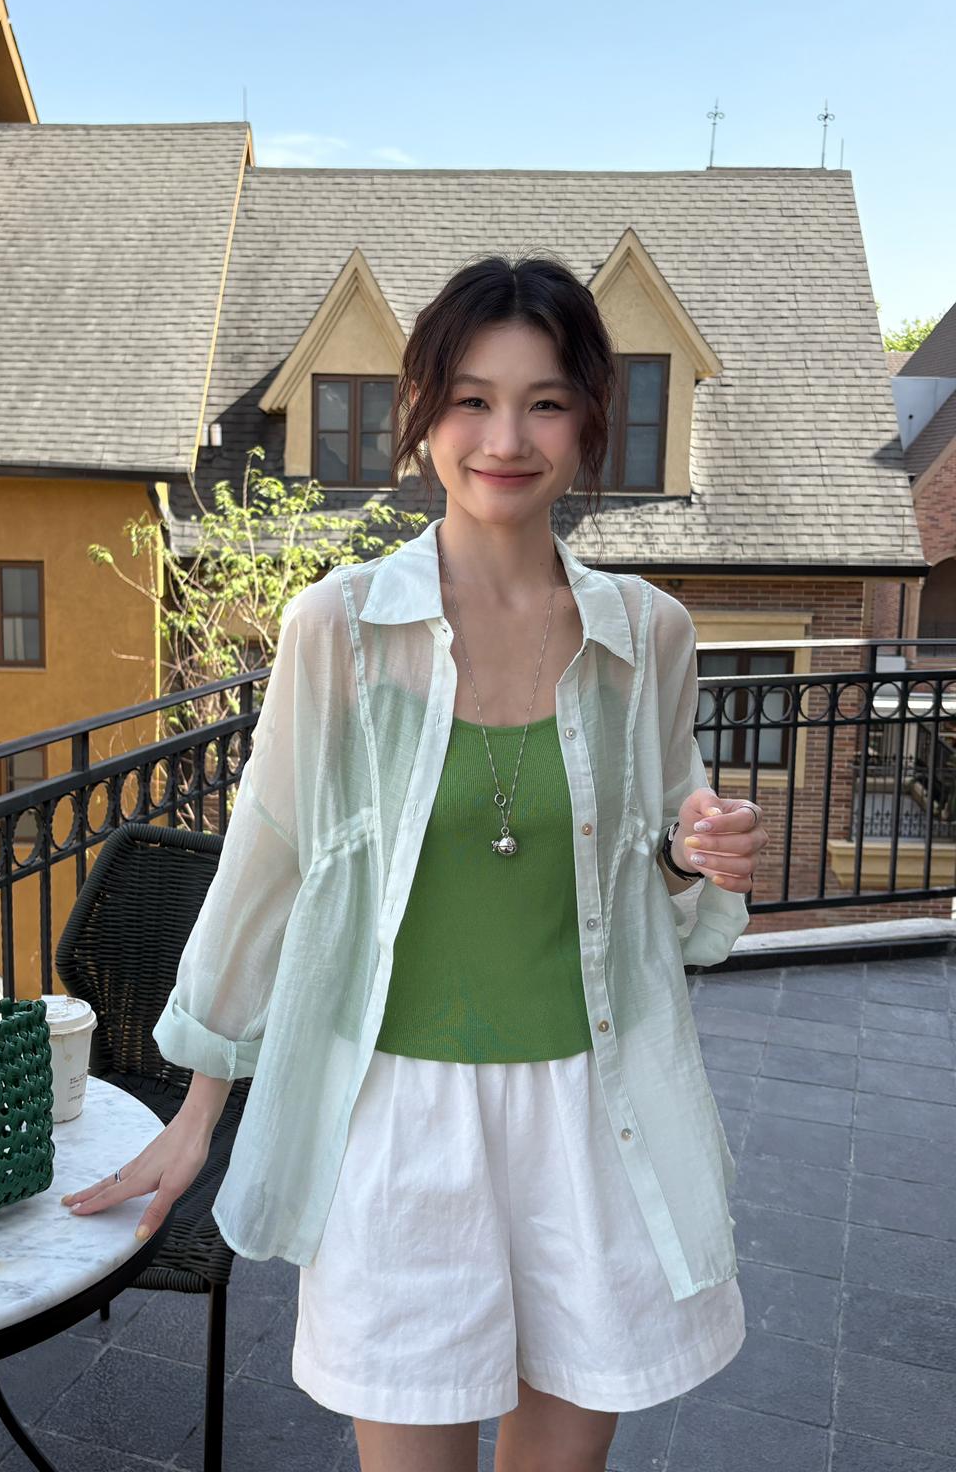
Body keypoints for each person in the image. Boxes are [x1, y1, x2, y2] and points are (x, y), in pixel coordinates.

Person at [62, 255, 770, 1472]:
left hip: (593, 1114)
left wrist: (690, 851)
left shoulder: (646, 634)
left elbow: (656, 869)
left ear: (589, 419)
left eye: (545, 402)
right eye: (471, 399)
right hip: (399, 1119)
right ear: (424, 414)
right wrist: (198, 1112)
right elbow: (269, 863)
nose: (506, 438)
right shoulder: (339, 629)